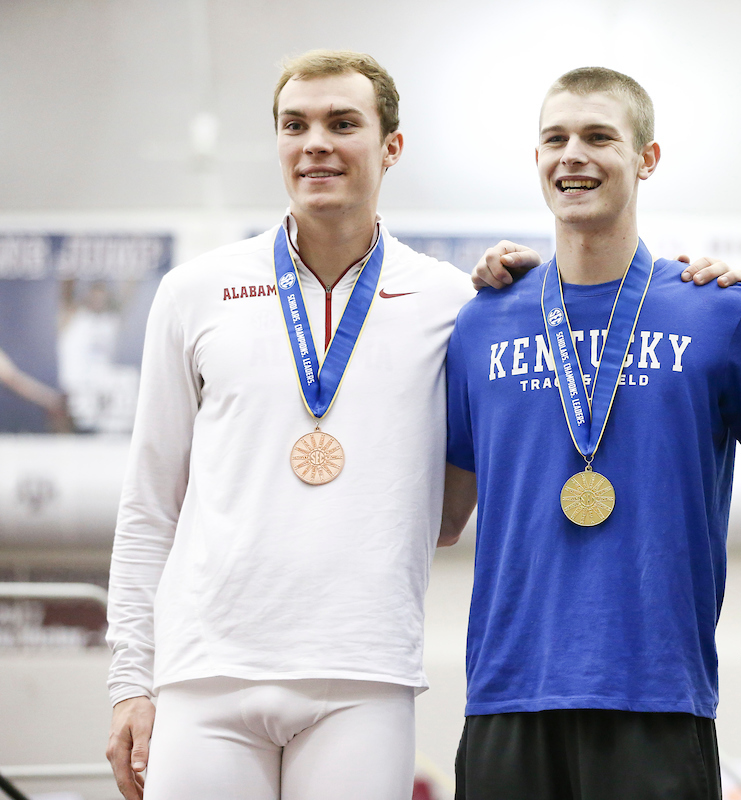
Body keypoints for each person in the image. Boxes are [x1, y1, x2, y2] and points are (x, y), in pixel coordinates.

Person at [103, 50, 476, 800]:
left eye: (343, 123)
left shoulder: (453, 300)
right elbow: (149, 506)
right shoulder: (194, 292)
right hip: (205, 673)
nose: (316, 144)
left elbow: (451, 509)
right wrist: (128, 680)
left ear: (391, 146)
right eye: (294, 125)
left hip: (362, 672)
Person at [445, 67, 741, 800]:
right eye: (554, 139)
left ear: (646, 159)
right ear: (536, 161)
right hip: (506, 691)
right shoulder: (480, 321)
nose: (572, 156)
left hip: (658, 693)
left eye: (599, 137)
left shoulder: (719, 313)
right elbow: (440, 514)